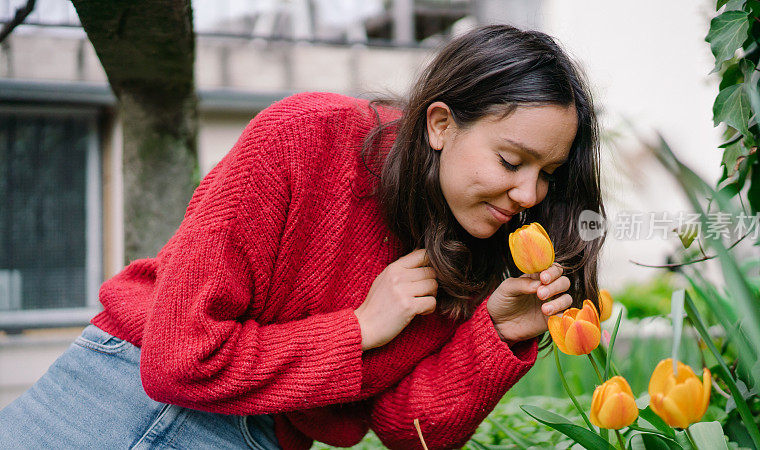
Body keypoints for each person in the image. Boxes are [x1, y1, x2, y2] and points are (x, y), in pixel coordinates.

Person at [0, 24, 605, 449]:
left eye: (547, 175)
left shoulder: (475, 248)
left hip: (262, 435)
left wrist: (494, 334)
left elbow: (406, 429)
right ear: (442, 124)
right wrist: (360, 329)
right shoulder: (307, 140)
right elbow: (178, 358)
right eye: (510, 162)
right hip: (120, 400)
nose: (530, 196)